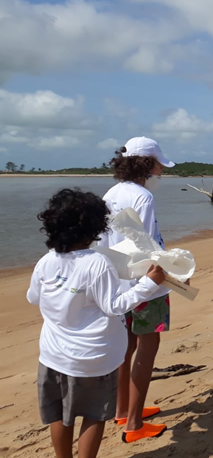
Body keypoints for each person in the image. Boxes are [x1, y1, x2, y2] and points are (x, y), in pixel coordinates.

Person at [29, 188, 166, 458]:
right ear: (94, 227)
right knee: (94, 415)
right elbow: (114, 305)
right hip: (92, 357)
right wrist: (150, 284)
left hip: (53, 355)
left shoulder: (46, 261)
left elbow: (33, 297)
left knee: (60, 415)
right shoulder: (97, 262)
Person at [99, 136, 176, 443]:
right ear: (147, 164)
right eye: (158, 165)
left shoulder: (111, 193)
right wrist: (169, 272)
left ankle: (122, 408)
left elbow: (105, 242)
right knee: (148, 346)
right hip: (145, 285)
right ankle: (133, 422)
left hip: (117, 282)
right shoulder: (142, 196)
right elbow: (143, 245)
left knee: (124, 347)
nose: (160, 172)